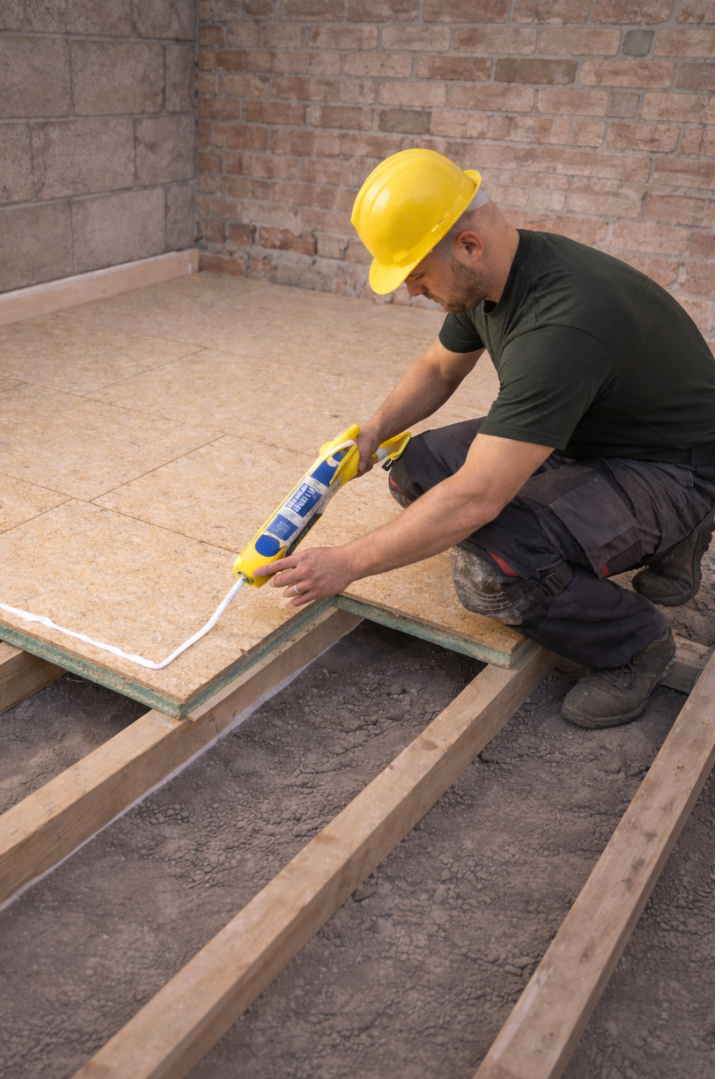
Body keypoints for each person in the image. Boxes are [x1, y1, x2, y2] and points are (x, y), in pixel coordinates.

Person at [259, 149, 715, 729]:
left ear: (467, 246)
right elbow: (439, 368)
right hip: (591, 429)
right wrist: (374, 431)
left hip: (674, 466)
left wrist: (347, 562)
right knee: (413, 469)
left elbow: (478, 497)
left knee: (494, 571)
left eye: (418, 275)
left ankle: (634, 643)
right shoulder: (495, 274)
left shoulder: (562, 324)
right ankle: (628, 532)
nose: (413, 292)